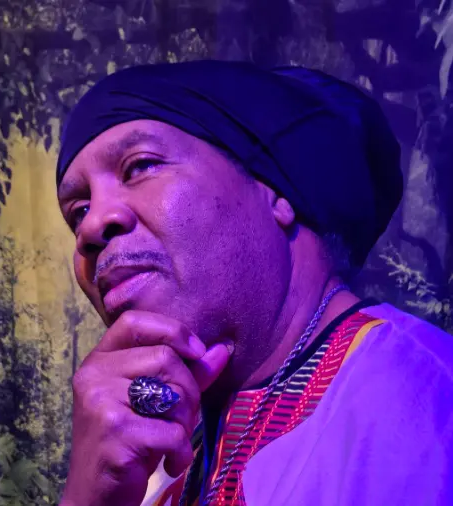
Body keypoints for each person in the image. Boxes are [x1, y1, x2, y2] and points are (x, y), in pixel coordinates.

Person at [55, 60, 453, 506]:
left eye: (140, 166)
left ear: (275, 189)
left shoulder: (427, 405)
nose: (91, 226)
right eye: (77, 211)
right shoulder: (148, 473)